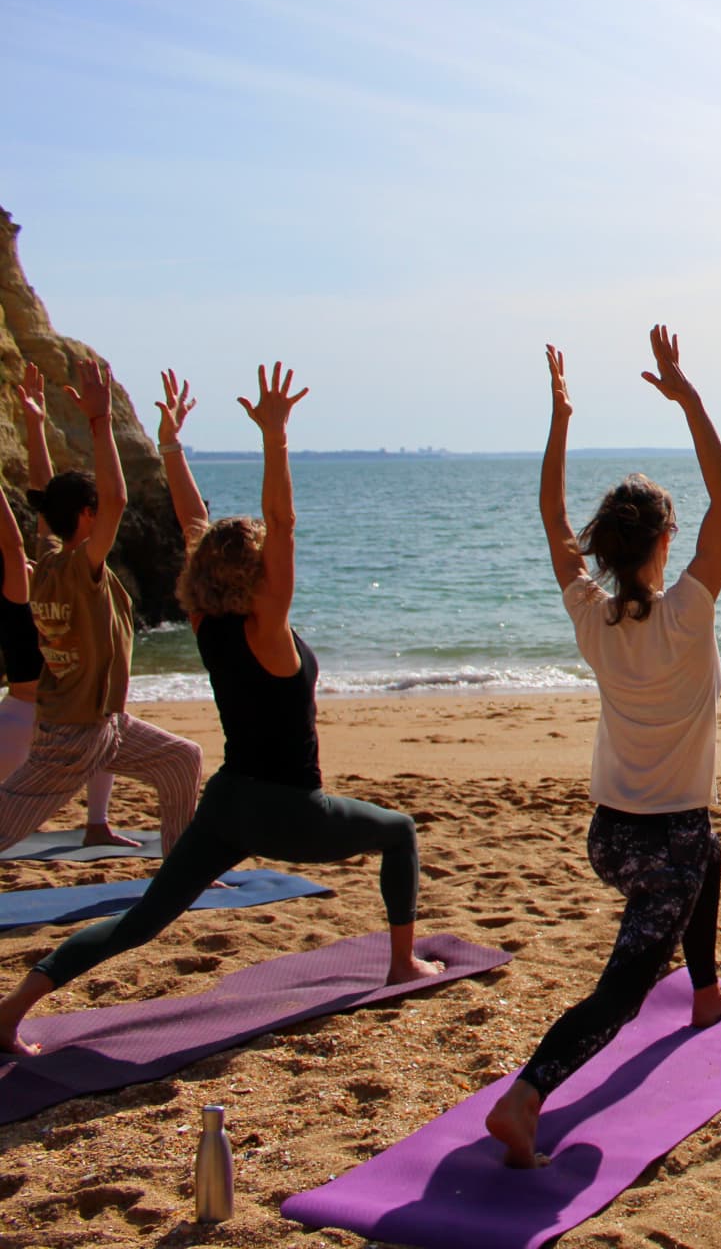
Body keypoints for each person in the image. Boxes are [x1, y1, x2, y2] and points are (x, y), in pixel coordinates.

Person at [0, 363, 442, 1058]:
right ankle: (401, 961)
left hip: (227, 803)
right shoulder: (268, 626)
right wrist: (275, 439)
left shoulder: (206, 621)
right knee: (401, 831)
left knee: (143, 919)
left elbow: (192, 523)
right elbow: (283, 521)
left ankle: (15, 1007)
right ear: (261, 575)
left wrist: (173, 447)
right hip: (293, 811)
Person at [485, 330, 721, 1168]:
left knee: (713, 847)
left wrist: (560, 418)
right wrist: (689, 399)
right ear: (666, 538)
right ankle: (526, 1098)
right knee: (622, 993)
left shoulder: (590, 613)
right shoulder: (688, 611)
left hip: (610, 835)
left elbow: (550, 517)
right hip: (663, 842)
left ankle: (705, 993)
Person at [0, 357, 199, 858]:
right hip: (71, 736)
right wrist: (99, 421)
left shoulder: (46, 559)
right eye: (98, 513)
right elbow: (115, 500)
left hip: (103, 725)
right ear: (88, 517)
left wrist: (34, 424)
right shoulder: (78, 570)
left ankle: (178, 872)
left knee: (182, 760)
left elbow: (44, 497)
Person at [0, 364, 118, 846]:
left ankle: (98, 824)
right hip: (30, 720)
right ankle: (97, 824)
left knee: (110, 734)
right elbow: (15, 542)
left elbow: (44, 510)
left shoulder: (45, 571)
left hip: (40, 716)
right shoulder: (30, 585)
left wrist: (34, 426)